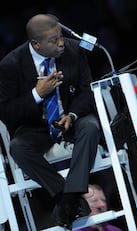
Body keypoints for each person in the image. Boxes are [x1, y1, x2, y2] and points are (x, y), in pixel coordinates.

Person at [0, 14, 101, 228]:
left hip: (71, 119)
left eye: (60, 36)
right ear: (35, 44)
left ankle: (69, 196)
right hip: (35, 127)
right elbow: (6, 112)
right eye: (53, 41)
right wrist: (36, 94)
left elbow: (86, 92)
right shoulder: (10, 65)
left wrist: (72, 115)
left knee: (91, 127)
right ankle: (65, 195)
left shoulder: (75, 51)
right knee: (17, 148)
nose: (61, 43)